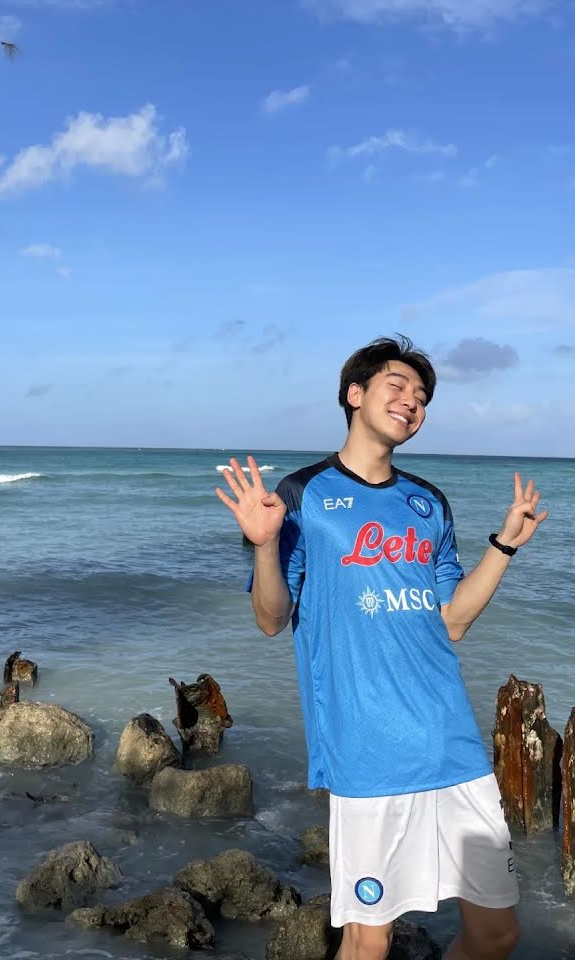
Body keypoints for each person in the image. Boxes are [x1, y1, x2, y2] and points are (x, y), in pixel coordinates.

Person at [215, 335, 547, 960]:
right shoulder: (302, 493)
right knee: (368, 942)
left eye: (422, 396)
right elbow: (270, 618)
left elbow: (452, 621)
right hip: (366, 748)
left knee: (497, 933)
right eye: (397, 386)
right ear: (355, 394)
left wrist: (503, 547)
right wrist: (264, 546)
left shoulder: (428, 502)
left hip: (450, 741)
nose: (411, 402)